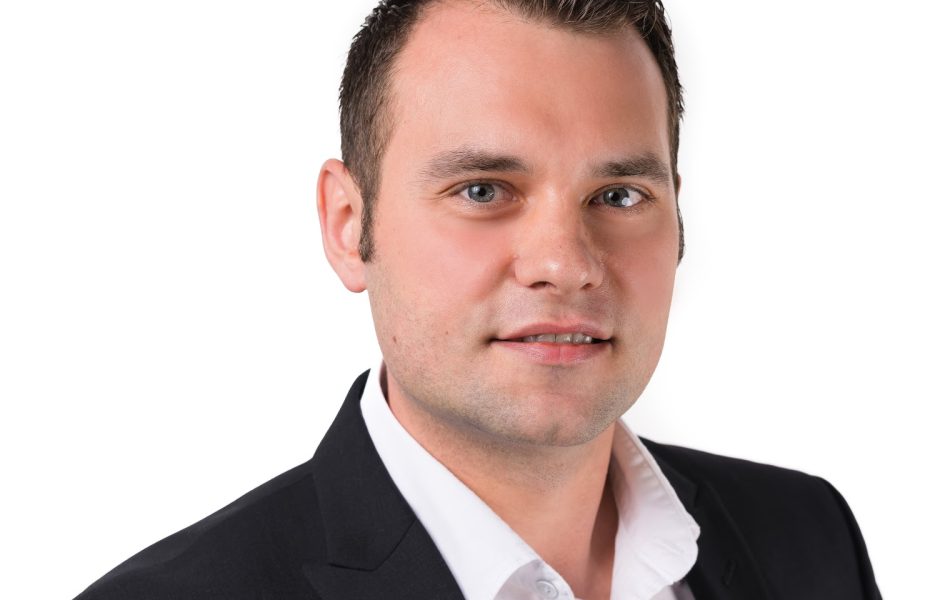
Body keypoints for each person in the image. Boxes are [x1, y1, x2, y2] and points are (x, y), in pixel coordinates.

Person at [76, 0, 881, 598]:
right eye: (484, 189)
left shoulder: (809, 538)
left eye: (619, 196)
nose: (565, 265)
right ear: (349, 225)